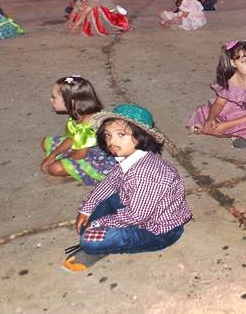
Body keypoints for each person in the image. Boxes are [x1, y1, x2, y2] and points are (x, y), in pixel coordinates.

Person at [63, 104, 191, 271]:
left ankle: (104, 247)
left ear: (141, 137)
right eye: (108, 135)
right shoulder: (130, 158)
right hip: (138, 209)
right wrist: (87, 208)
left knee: (88, 241)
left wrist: (100, 224)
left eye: (121, 135)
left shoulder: (146, 175)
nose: (111, 141)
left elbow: (136, 216)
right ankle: (106, 240)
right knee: (98, 209)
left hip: (158, 231)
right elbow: (110, 182)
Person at [40, 76, 116, 185]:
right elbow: (72, 138)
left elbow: (80, 154)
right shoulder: (78, 115)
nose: (50, 100)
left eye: (54, 97)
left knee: (54, 168)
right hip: (83, 147)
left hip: (100, 159)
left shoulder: (88, 123)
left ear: (70, 102)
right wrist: (53, 155)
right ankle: (69, 168)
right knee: (45, 142)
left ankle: (79, 174)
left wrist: (57, 160)